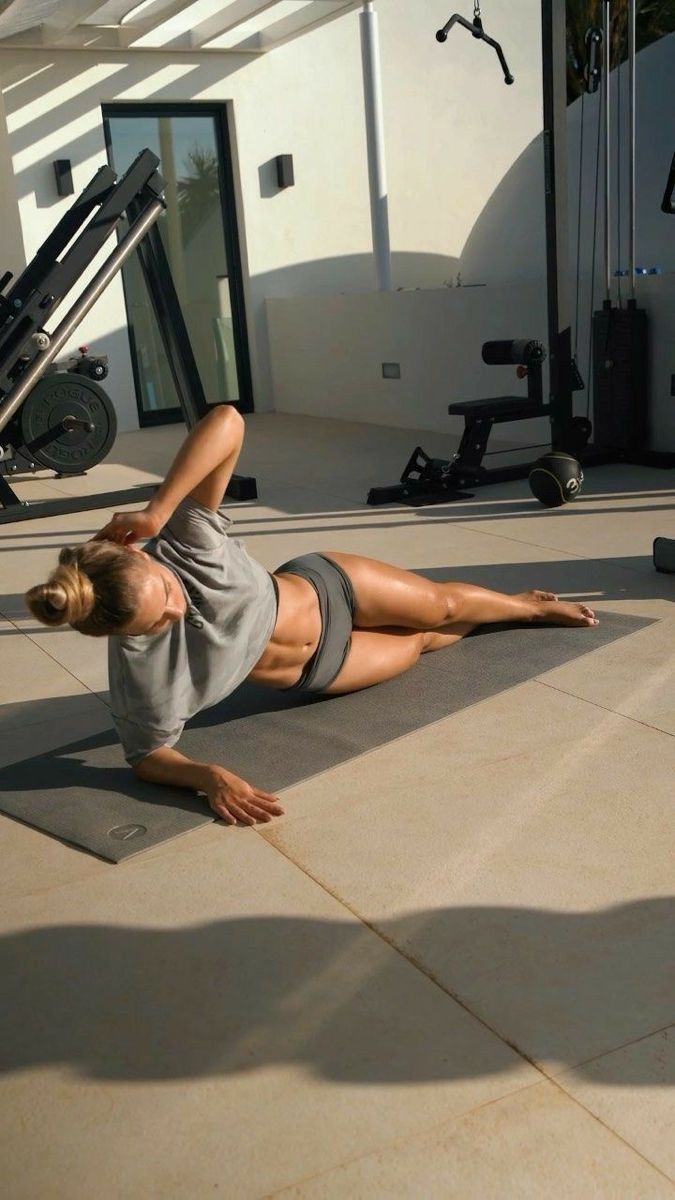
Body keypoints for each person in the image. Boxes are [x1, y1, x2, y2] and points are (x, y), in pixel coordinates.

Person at [25, 405, 598, 828]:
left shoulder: (183, 541)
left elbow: (227, 420)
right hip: (323, 668)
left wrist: (158, 509)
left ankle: (525, 606)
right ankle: (502, 612)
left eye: (167, 591)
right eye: (159, 622)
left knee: (442, 604)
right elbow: (148, 756)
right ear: (122, 636)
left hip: (329, 588)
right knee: (422, 640)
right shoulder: (138, 679)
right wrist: (208, 775)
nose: (180, 607)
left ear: (138, 555)